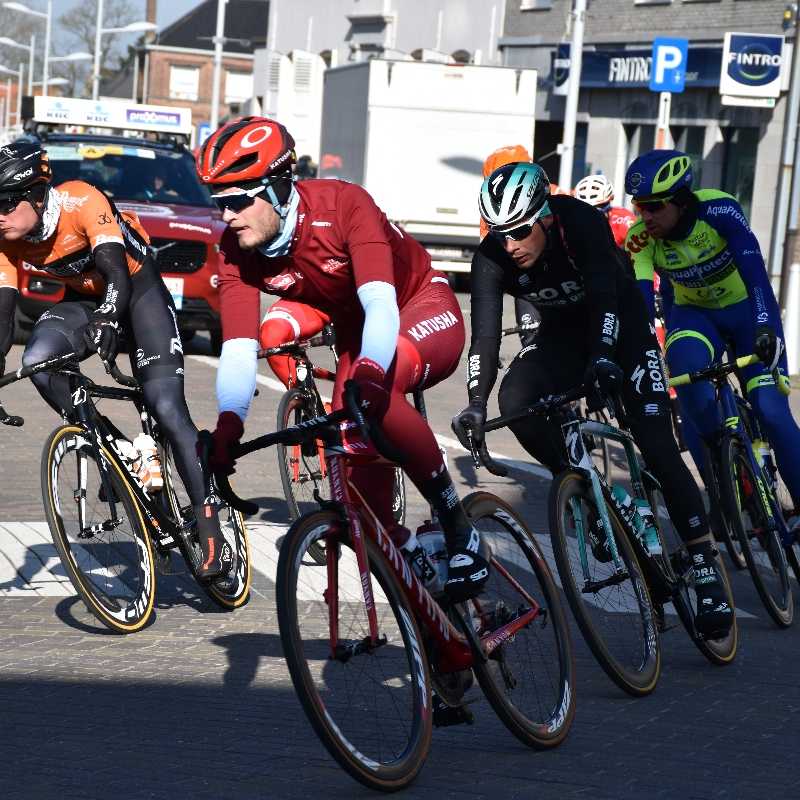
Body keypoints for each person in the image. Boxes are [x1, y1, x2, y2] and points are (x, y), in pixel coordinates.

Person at [196, 116, 489, 600]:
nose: (226, 215)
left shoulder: (344, 205)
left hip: (416, 305)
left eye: (237, 200)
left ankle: (459, 524)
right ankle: (426, 609)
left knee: (377, 393)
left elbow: (380, 304)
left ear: (278, 187)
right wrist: (230, 423)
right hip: (356, 330)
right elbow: (238, 346)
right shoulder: (236, 249)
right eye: (218, 203)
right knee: (358, 502)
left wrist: (372, 375)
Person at [452, 160, 732, 637]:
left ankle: (704, 563)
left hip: (621, 329)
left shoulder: (579, 222)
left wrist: (604, 358)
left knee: (658, 447)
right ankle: (580, 487)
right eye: (500, 234)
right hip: (561, 337)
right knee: (516, 399)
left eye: (519, 231)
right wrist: (475, 401)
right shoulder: (493, 257)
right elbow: (483, 340)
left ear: (544, 217)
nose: (510, 245)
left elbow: (605, 295)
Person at [0, 142, 232, 579]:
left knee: (165, 406)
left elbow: (116, 270)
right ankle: (119, 451)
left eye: (7, 202)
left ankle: (210, 532)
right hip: (85, 300)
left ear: (36, 194)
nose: (0, 213)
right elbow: (3, 314)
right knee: (39, 358)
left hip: (137, 291)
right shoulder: (6, 240)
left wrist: (109, 318)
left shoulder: (81, 199)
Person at [623, 149, 800, 514]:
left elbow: (755, 274)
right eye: (640, 207)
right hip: (695, 317)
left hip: (748, 312)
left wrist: (767, 323)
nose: (646, 216)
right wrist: (641, 351)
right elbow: (641, 300)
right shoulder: (640, 238)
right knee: (691, 394)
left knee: (771, 410)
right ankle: (723, 495)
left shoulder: (719, 210)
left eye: (655, 207)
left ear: (681, 200)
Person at [481, 144, 540, 347]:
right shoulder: (490, 210)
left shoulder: (552, 194)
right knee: (532, 343)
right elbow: (491, 261)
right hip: (528, 282)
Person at [573, 173, 636, 248]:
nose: (591, 216)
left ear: (610, 200)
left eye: (598, 208)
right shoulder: (568, 221)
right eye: (584, 210)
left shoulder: (624, 220)